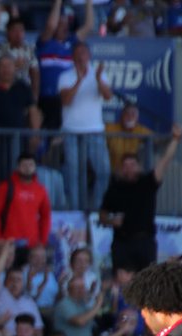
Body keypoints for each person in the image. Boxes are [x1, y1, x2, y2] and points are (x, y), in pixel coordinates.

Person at [100, 125, 182, 274]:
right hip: (121, 242)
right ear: (120, 169)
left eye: (132, 165)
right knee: (122, 282)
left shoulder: (147, 182)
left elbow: (165, 160)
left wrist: (175, 140)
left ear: (139, 166)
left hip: (144, 241)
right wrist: (111, 221)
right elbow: (102, 214)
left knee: (147, 282)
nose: (129, 168)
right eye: (125, 165)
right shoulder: (114, 188)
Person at [58, 42, 112, 213]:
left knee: (103, 172)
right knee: (74, 174)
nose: (81, 56)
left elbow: (108, 96)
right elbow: (66, 100)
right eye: (78, 52)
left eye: (84, 52)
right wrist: (79, 80)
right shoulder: (66, 76)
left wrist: (97, 80)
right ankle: (75, 210)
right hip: (72, 131)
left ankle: (96, 209)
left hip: (95, 130)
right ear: (73, 57)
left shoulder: (99, 74)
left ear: (89, 55)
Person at [35, 0, 93, 131]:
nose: (64, 27)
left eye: (66, 24)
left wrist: (88, 2)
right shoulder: (45, 42)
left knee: (62, 136)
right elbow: (50, 25)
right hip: (46, 97)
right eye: (60, 24)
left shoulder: (72, 43)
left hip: (65, 97)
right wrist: (58, 2)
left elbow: (89, 26)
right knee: (45, 134)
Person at [0, 153, 50, 262]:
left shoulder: (41, 190)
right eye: (24, 165)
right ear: (18, 167)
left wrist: (42, 241)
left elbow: (46, 217)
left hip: (32, 244)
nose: (27, 169)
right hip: (9, 244)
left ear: (35, 167)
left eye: (30, 165)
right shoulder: (5, 187)